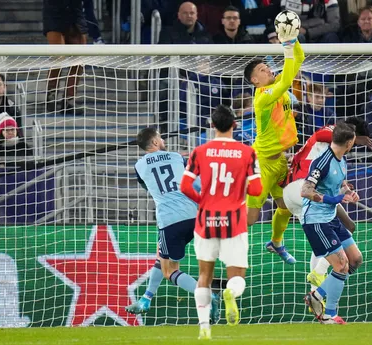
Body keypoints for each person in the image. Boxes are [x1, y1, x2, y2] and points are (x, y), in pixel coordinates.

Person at [180, 104, 262, 340]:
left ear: (212, 125)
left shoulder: (199, 151)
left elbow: (185, 186)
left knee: (204, 275)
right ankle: (229, 293)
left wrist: (203, 201)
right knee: (237, 277)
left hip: (205, 220)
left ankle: (204, 326)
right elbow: (256, 189)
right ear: (235, 125)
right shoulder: (247, 153)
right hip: (234, 221)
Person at [124, 128, 219, 323]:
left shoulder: (139, 166)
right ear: (155, 143)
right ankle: (145, 299)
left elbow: (150, 186)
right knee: (161, 255)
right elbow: (197, 183)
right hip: (195, 216)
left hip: (170, 220)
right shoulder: (176, 157)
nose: (162, 139)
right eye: (160, 137)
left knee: (170, 271)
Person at [284, 117, 372, 292]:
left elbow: (337, 181)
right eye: (354, 142)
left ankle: (315, 293)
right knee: (346, 225)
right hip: (300, 187)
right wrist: (357, 137)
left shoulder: (337, 157)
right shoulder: (332, 135)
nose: (354, 146)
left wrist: (346, 190)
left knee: (324, 239)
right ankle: (320, 275)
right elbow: (320, 135)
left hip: (294, 192)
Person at [242, 25, 305, 264]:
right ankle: (223, 241)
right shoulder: (263, 97)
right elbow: (286, 80)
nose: (268, 69)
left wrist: (292, 40)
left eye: (267, 66)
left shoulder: (276, 85)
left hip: (279, 160)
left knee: (285, 206)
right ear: (254, 80)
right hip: (260, 163)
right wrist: (286, 47)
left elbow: (299, 58)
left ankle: (276, 243)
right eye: (262, 69)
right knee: (250, 217)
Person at [300, 122, 363, 324]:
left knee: (355, 259)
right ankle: (329, 313)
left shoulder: (341, 159)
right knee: (341, 265)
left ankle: (317, 295)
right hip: (316, 220)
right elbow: (306, 191)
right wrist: (334, 199)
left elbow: (341, 183)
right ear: (349, 142)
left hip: (330, 217)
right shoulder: (322, 162)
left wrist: (347, 192)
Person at [43, 0, 87, 114]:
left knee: (78, 60)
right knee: (58, 57)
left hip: (75, 13)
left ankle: (69, 99)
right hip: (54, 12)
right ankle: (52, 96)